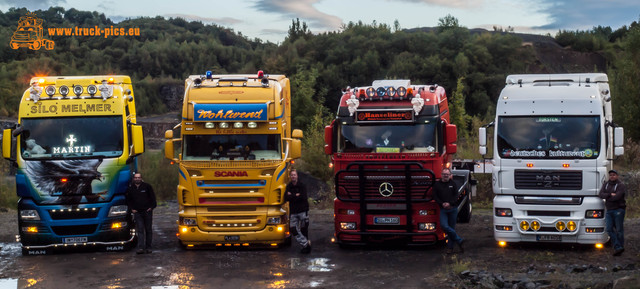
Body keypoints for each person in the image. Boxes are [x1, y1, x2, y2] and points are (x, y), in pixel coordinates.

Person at [433, 168, 464, 254]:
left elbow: (456, 196)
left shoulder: (453, 184)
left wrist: (450, 203)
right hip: (443, 210)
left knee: (451, 228)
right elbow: (435, 196)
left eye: (447, 174)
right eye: (444, 174)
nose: (445, 175)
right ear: (441, 175)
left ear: (450, 175)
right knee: (444, 226)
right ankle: (459, 239)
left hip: (453, 209)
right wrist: (442, 203)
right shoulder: (437, 185)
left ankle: (450, 248)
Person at [126, 172, 157, 254]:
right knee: (140, 230)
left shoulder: (147, 187)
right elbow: (128, 200)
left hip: (147, 212)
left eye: (138, 177)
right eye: (135, 177)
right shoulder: (130, 188)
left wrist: (151, 207)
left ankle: (148, 247)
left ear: (141, 178)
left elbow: (153, 198)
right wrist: (131, 209)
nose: (137, 179)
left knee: (148, 229)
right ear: (133, 179)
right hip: (137, 213)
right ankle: (140, 248)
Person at [599, 169, 626, 256]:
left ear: (617, 176)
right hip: (609, 210)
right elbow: (600, 194)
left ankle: (619, 247)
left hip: (618, 210)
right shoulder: (606, 184)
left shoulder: (621, 185)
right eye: (610, 175)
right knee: (609, 229)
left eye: (614, 175)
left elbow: (617, 197)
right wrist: (610, 194)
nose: (612, 176)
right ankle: (618, 247)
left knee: (619, 230)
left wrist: (607, 196)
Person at [285, 169, 311, 253]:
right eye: (291, 175)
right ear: (290, 176)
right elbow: (286, 198)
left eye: (294, 175)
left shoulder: (302, 186)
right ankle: (306, 244)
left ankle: (305, 248)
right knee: (293, 229)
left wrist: (292, 196)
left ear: (297, 176)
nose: (293, 176)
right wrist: (296, 195)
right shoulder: (288, 186)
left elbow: (303, 197)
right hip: (293, 212)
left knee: (304, 229)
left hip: (303, 210)